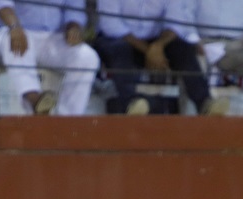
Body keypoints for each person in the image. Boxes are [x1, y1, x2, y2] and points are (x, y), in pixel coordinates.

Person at [95, 0, 227, 115]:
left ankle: (204, 103)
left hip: (156, 42)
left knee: (183, 48)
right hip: (116, 39)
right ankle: (131, 102)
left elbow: (176, 22)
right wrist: (149, 50)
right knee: (120, 48)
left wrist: (158, 46)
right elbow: (110, 25)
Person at [0, 0, 100, 116]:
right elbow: (2, 4)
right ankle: (35, 100)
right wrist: (14, 26)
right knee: (12, 42)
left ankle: (69, 118)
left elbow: (74, 8)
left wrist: (73, 27)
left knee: (87, 57)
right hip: (19, 30)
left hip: (54, 36)